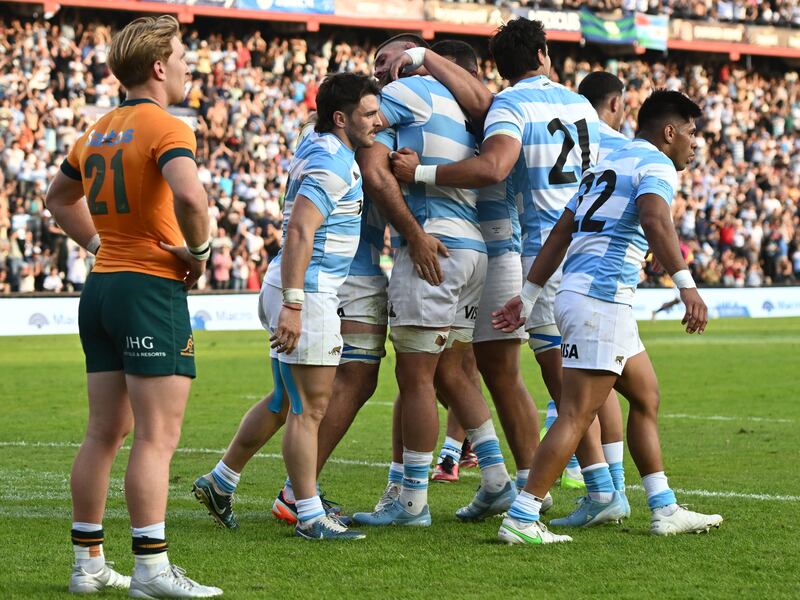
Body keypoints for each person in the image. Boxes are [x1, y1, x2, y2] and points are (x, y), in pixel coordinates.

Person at [389, 18, 611, 503]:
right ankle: (530, 480)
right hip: (563, 243)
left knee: (533, 374)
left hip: (516, 245)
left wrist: (420, 171)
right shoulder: (577, 103)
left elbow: (493, 165)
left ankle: (586, 485)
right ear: (544, 53)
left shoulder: (501, 106)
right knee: (503, 370)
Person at [493, 90, 723, 544]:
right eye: (692, 134)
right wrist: (686, 284)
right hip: (601, 299)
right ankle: (522, 516)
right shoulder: (655, 164)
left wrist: (527, 295)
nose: (695, 145)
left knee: (646, 396)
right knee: (576, 414)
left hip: (588, 296)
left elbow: (562, 230)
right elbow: (655, 218)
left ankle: (663, 506)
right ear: (669, 132)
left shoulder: (606, 163)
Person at [45, 15, 222, 597]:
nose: (188, 63)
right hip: (148, 286)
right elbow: (192, 195)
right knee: (156, 437)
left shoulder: (97, 129)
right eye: (182, 53)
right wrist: (199, 249)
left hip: (101, 287)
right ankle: (150, 569)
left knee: (103, 432)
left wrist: (98, 244)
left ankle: (88, 564)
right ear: (157, 66)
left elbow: (57, 198)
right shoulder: (166, 125)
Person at [197, 72, 382, 541]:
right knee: (309, 410)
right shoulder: (333, 161)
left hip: (287, 282)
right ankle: (309, 514)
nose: (378, 121)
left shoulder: (315, 142)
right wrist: (297, 304)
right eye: (368, 113)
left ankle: (221, 481)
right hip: (307, 290)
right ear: (340, 119)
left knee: (284, 402)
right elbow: (301, 228)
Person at [353, 35, 516, 528]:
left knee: (415, 379)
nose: (380, 70)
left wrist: (413, 235)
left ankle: (411, 503)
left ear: (415, 58)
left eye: (389, 59)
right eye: (376, 63)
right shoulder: (464, 109)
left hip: (433, 249)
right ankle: (496, 481)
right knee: (454, 374)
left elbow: (370, 166)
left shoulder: (404, 94)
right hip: (472, 252)